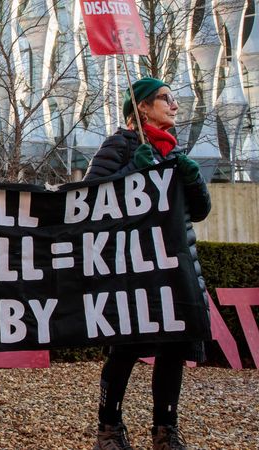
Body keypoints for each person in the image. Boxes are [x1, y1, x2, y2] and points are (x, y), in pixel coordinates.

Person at [84, 77, 211, 450]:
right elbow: (89, 203)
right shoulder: (119, 146)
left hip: (174, 268)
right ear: (141, 107)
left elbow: (198, 212)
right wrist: (132, 174)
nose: (174, 105)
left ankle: (165, 430)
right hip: (132, 269)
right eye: (165, 98)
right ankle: (108, 429)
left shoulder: (174, 153)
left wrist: (193, 181)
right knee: (125, 347)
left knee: (173, 348)